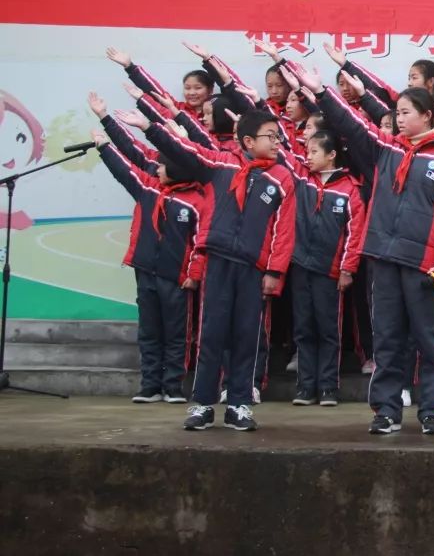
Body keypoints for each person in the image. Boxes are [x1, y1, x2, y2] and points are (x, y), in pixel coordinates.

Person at [296, 65, 434, 436]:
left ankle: (432, 410)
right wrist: (324, 92)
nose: (399, 120)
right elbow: (353, 126)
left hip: (425, 266)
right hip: (384, 260)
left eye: (406, 113)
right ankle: (387, 410)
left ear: (427, 115)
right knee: (386, 338)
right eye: (397, 114)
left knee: (430, 339)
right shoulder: (387, 151)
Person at [115, 107, 297, 432]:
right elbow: (183, 150)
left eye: (278, 136)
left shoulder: (282, 178)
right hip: (218, 261)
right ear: (248, 140)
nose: (277, 142)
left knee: (246, 336)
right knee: (211, 334)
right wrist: (149, 127)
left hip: (253, 269)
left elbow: (284, 230)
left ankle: (239, 403)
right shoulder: (222, 165)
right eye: (271, 136)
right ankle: (202, 403)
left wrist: (275, 271)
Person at [89, 93, 203, 405]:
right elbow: (124, 167)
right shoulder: (148, 189)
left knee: (177, 334)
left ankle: (173, 386)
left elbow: (200, 244)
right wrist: (104, 142)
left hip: (176, 277)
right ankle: (150, 385)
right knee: (150, 331)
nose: (157, 171)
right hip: (146, 271)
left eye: (163, 167)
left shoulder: (196, 202)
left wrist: (193, 274)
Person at [283, 130, 365, 407]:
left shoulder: (349, 190)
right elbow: (283, 145)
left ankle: (329, 387)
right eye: (307, 151)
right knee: (304, 328)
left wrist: (347, 270)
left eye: (315, 152)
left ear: (331, 155)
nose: (309, 156)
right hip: (301, 266)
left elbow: (355, 235)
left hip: (330, 272)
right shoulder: (302, 179)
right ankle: (306, 387)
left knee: (328, 329)